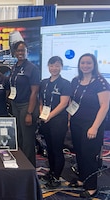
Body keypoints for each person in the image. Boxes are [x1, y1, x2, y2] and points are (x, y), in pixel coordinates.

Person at [67, 53, 110, 198]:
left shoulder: (101, 82)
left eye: (88, 63)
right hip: (76, 123)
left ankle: (92, 187)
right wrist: (69, 119)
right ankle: (82, 179)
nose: (85, 66)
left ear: (94, 65)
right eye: (83, 63)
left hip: (92, 125)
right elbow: (72, 102)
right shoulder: (75, 81)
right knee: (79, 153)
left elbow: (104, 106)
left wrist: (95, 127)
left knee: (89, 155)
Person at [38, 56, 71, 188]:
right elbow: (41, 100)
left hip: (58, 120)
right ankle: (51, 172)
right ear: (48, 67)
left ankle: (56, 177)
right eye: (52, 66)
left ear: (61, 67)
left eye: (57, 65)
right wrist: (42, 113)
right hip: (45, 120)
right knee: (49, 148)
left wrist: (50, 116)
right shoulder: (44, 82)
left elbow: (64, 104)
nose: (54, 68)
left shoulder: (65, 83)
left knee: (57, 149)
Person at [9, 41, 40, 167]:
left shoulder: (32, 68)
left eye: (23, 50)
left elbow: (34, 92)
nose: (20, 53)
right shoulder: (15, 66)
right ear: (15, 52)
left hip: (27, 106)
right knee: (19, 138)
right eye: (18, 51)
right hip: (16, 105)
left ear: (27, 51)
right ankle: (21, 165)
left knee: (27, 141)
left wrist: (29, 113)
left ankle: (29, 168)